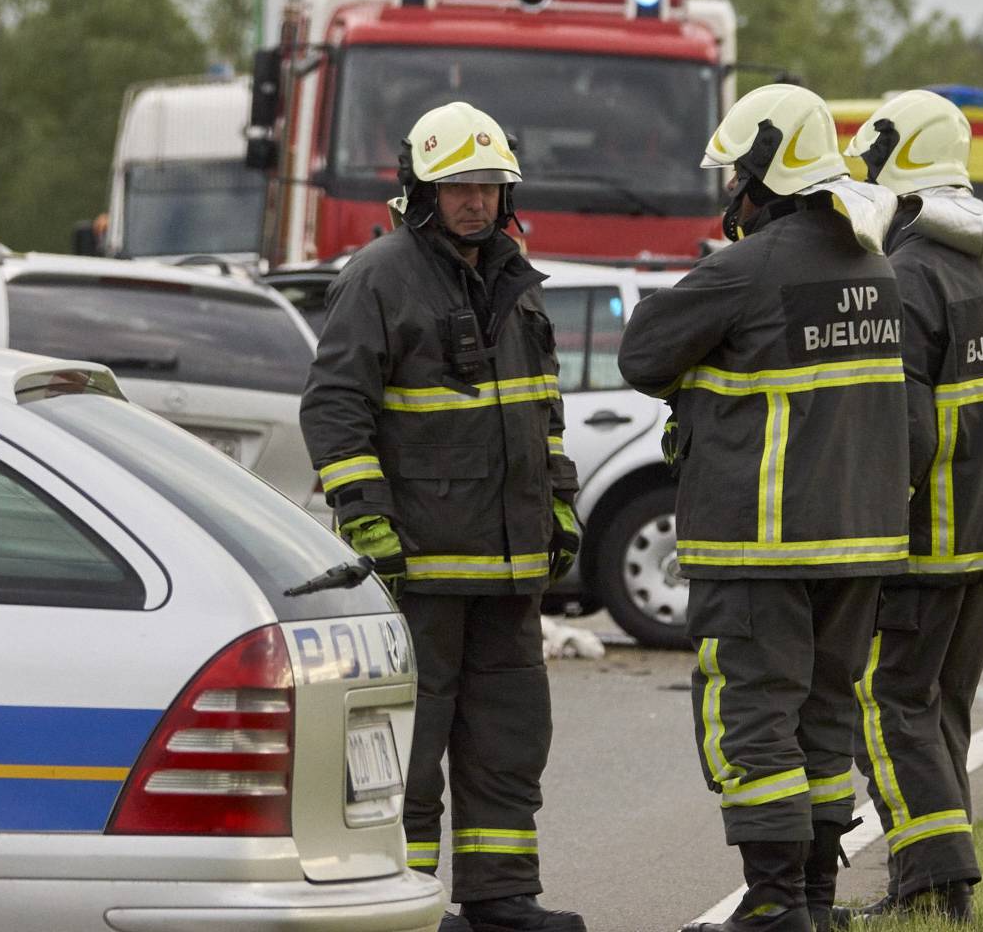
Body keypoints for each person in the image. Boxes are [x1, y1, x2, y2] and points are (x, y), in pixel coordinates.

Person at [618, 84, 912, 932]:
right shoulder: (874, 266)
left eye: (735, 176)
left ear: (764, 174)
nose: (729, 195)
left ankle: (775, 900)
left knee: (749, 713)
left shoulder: (747, 267)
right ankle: (814, 900)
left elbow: (644, 352)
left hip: (762, 543)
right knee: (823, 714)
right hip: (859, 544)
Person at [300, 100, 584, 932]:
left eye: (490, 185)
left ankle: (500, 900)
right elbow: (335, 409)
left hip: (509, 568)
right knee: (409, 750)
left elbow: (542, 409)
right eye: (458, 185)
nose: (476, 201)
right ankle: (405, 904)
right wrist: (368, 520)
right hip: (419, 566)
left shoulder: (516, 279)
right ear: (420, 186)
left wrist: (558, 503)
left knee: (509, 741)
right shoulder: (379, 276)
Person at [832, 90, 983, 925]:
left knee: (887, 706)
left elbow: (907, 430)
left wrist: (875, 535)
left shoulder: (911, 270)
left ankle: (932, 882)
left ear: (898, 162)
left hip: (927, 542)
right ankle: (939, 883)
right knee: (940, 711)